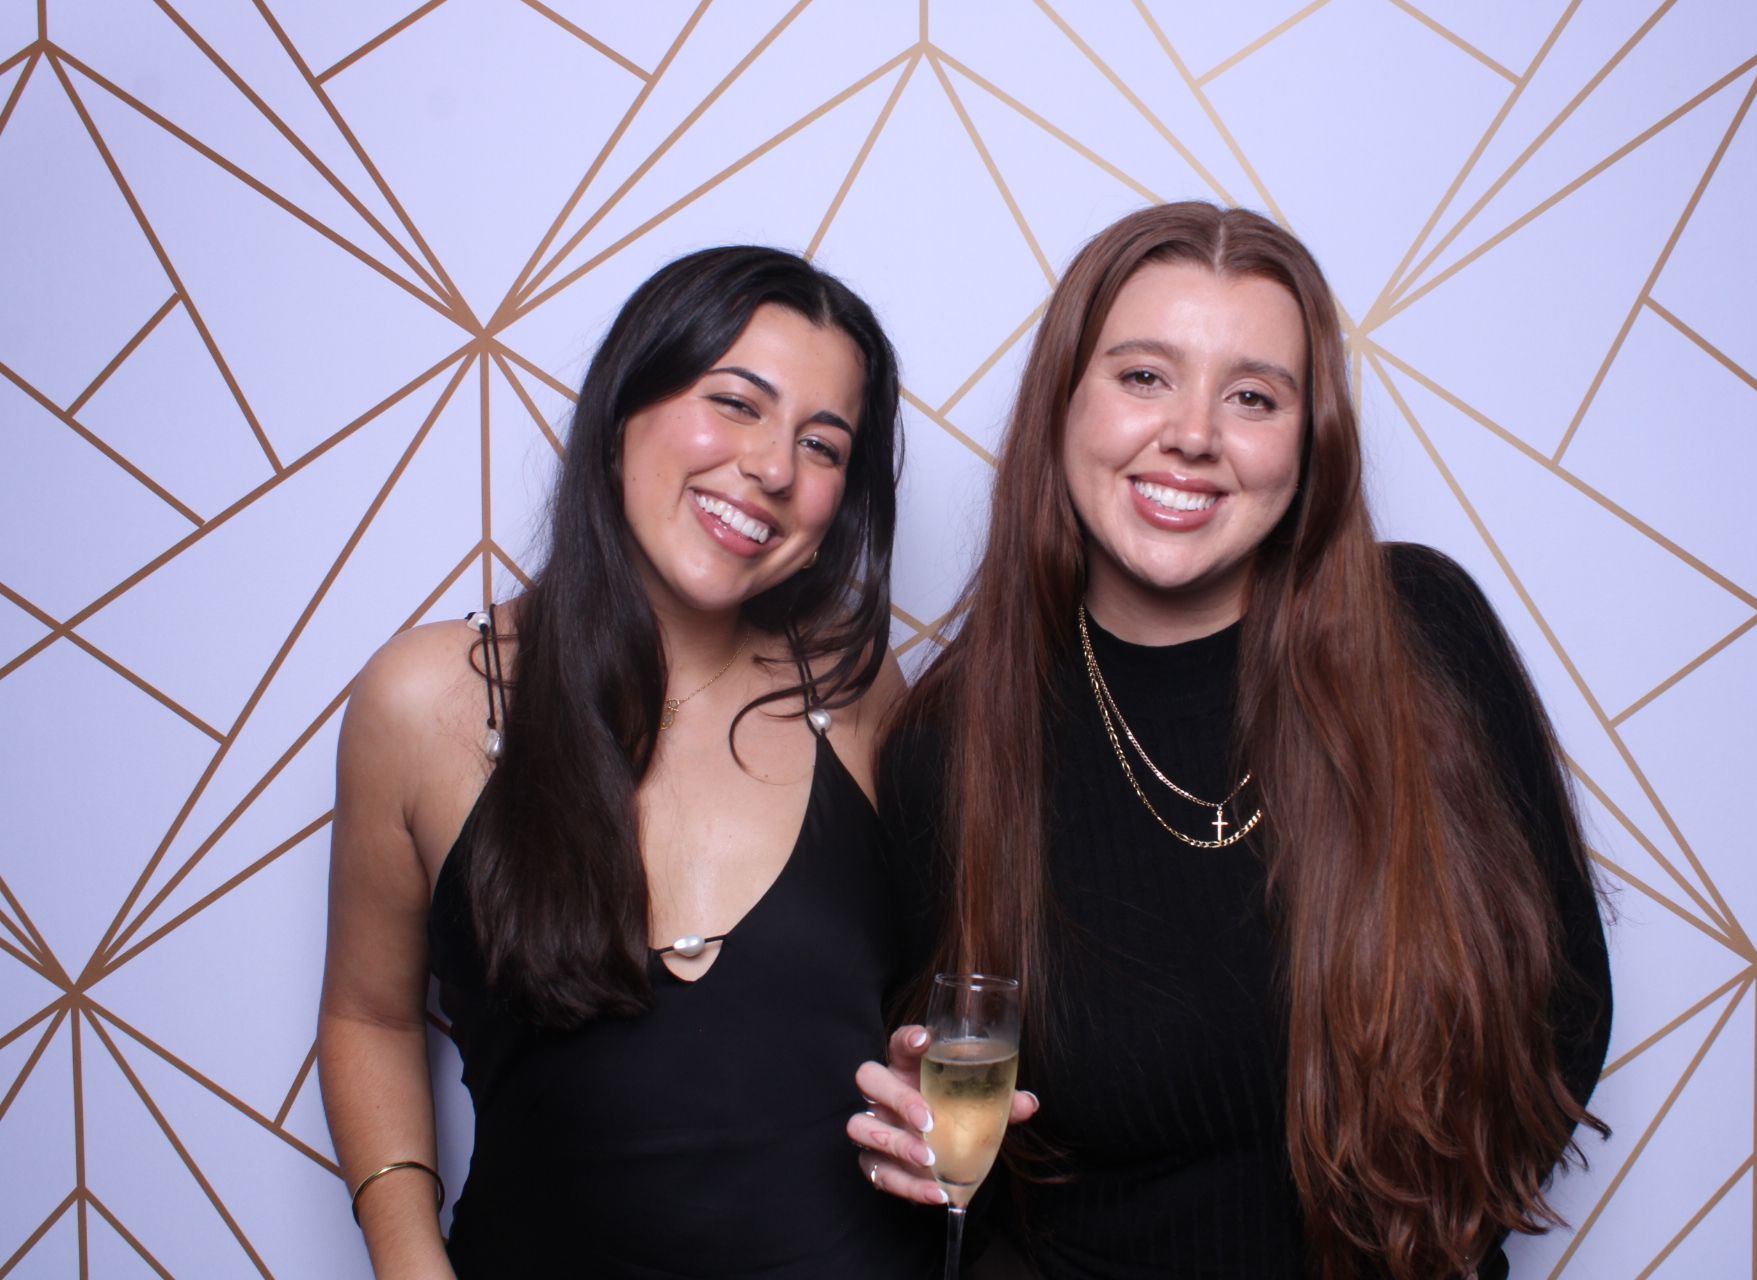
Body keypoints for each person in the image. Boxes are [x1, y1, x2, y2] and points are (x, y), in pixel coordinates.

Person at [850, 204, 1612, 1280]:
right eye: (1144, 376)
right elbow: (968, 1150)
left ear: (1310, 444)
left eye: (1253, 394)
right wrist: (919, 1139)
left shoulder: (1424, 631)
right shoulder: (956, 739)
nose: (1194, 433)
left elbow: (1564, 1012)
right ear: (1063, 402)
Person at [319, 246, 936, 1277]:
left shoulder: (861, 692)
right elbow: (368, 1014)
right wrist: (408, 1259)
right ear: (621, 415)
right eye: (736, 402)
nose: (774, 466)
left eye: (823, 444)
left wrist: (925, 1081)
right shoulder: (424, 699)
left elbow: (928, 997)